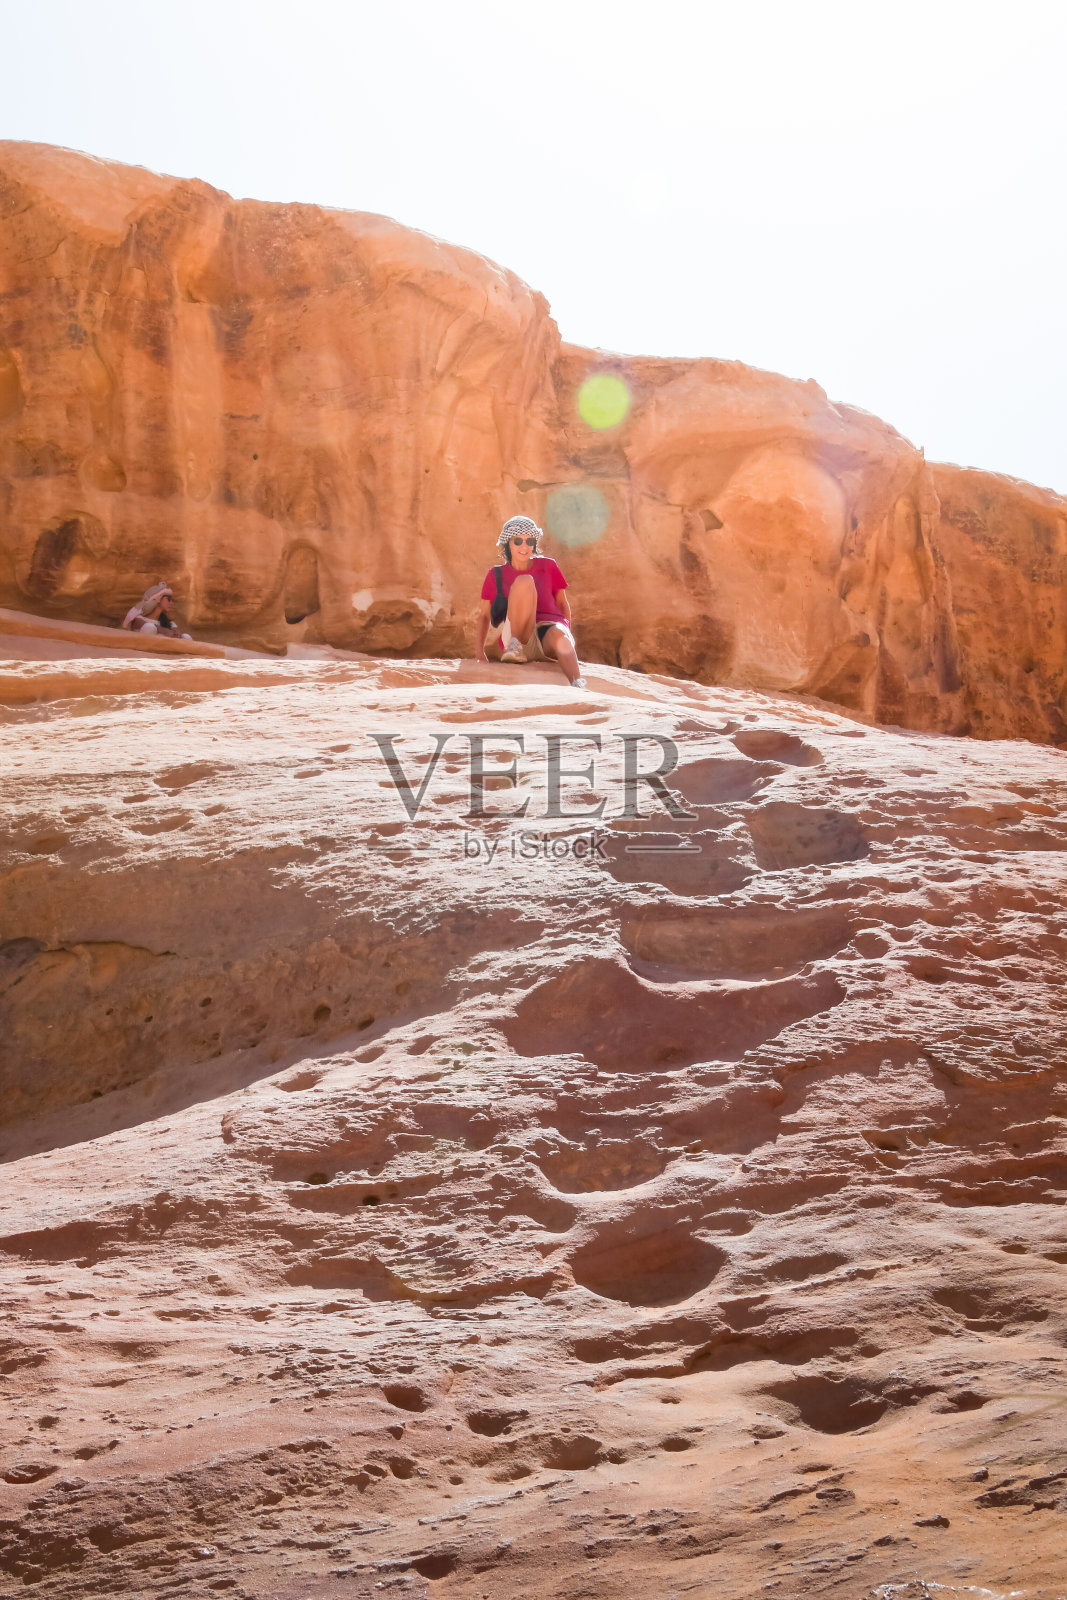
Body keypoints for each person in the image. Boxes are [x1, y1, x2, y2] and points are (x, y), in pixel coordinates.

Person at [476, 517, 587, 689]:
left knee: (560, 637)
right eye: (518, 541)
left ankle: (577, 685)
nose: (524, 546)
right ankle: (515, 646)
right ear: (508, 543)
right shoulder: (495, 574)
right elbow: (484, 615)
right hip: (517, 635)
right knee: (525, 581)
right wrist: (479, 652)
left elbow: (563, 604)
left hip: (548, 631)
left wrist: (567, 634)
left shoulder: (548, 566)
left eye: (529, 541)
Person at [121, 582, 193, 640]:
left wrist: (175, 633)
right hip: (144, 653)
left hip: (164, 653)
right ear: (158, 599)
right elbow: (144, 625)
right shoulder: (139, 619)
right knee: (149, 628)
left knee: (186, 637)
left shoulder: (169, 623)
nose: (171, 603)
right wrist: (164, 630)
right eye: (168, 599)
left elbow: (177, 634)